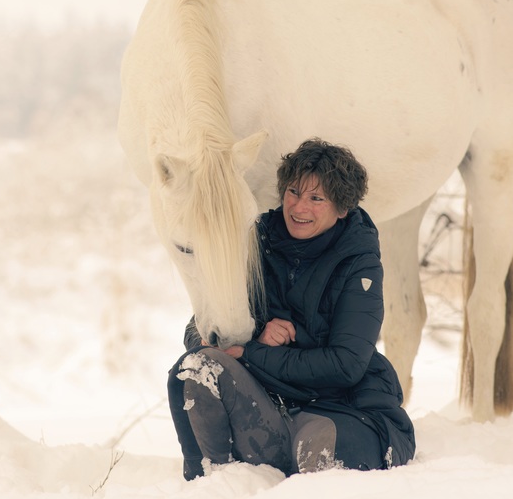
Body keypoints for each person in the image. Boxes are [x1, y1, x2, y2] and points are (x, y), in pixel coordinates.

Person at [167, 138, 415, 480]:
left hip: (342, 409)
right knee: (195, 367)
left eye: (317, 198)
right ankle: (216, 485)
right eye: (294, 192)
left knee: (318, 450)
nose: (299, 207)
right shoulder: (256, 242)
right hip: (268, 409)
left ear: (341, 208)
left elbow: (346, 365)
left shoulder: (359, 262)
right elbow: (201, 330)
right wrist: (255, 333)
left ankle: (292, 488)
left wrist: (251, 353)